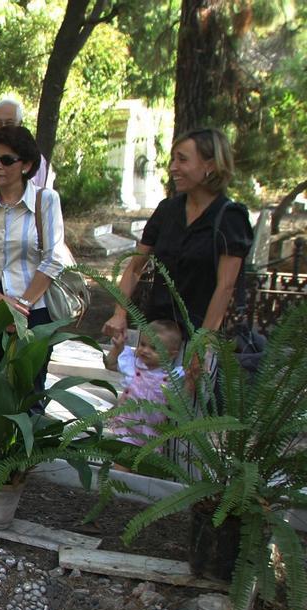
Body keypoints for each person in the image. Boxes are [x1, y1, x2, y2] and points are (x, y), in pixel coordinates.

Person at [102, 128, 253, 383]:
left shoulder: (229, 218)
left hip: (196, 340)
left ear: (211, 164)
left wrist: (201, 345)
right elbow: (135, 267)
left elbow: (224, 287)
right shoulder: (168, 210)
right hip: (155, 336)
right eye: (172, 159)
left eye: (182, 159)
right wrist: (119, 313)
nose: (173, 167)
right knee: (144, 416)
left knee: (187, 418)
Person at [0, 125, 66, 397]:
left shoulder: (46, 201)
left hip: (34, 312)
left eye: (6, 160)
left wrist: (21, 308)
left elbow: (53, 259)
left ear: (26, 165)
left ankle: (25, 442)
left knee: (28, 392)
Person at [105, 319, 184, 449]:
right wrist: (117, 348)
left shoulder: (172, 377)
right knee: (122, 460)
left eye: (154, 348)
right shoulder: (133, 365)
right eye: (142, 344)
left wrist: (193, 377)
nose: (145, 350)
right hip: (126, 427)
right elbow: (110, 363)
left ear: (171, 355)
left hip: (154, 434)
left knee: (144, 466)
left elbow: (183, 398)